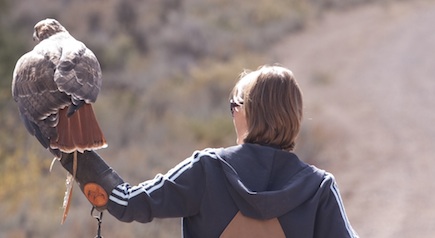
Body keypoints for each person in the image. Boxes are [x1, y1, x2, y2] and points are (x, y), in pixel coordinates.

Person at [60, 65, 359, 237]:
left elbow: (127, 202)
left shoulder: (208, 170)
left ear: (248, 112)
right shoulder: (318, 189)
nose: (232, 114)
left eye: (234, 105)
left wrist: (65, 146)